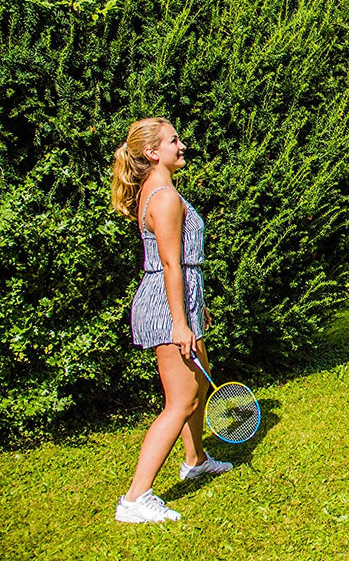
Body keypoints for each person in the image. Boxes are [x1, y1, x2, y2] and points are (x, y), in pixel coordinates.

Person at [110, 117, 232, 523]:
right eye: (173, 140)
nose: (182, 145)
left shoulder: (161, 191)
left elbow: (182, 266)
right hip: (167, 307)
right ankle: (135, 498)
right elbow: (169, 263)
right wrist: (180, 321)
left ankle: (195, 459)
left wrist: (197, 308)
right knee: (179, 402)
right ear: (152, 152)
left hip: (181, 302)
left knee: (197, 385)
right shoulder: (163, 196)